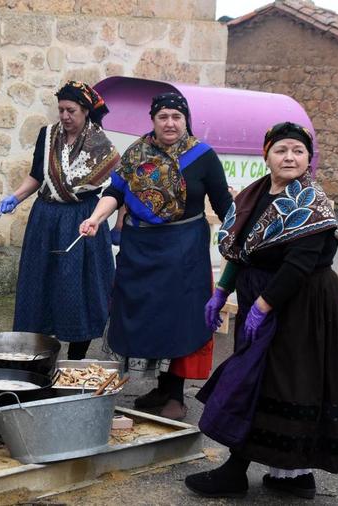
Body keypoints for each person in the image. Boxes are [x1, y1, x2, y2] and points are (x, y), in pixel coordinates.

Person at [185, 122, 338, 499]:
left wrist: (261, 307)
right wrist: (222, 289)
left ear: (309, 158)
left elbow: (298, 265)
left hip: (302, 303)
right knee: (275, 379)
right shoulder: (256, 195)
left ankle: (236, 471)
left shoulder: (310, 201)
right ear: (267, 155)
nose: (289, 157)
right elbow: (242, 249)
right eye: (281, 150)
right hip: (266, 294)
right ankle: (292, 476)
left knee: (270, 378)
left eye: (298, 151)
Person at [79, 93, 232, 420]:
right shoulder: (137, 153)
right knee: (146, 316)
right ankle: (161, 389)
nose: (170, 123)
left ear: (185, 120)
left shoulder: (202, 156)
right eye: (163, 116)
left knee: (178, 317)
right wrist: (95, 218)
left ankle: (175, 394)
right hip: (141, 249)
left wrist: (237, 235)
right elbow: (115, 192)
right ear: (153, 120)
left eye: (176, 116)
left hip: (184, 250)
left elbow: (223, 204)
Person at [0, 80, 119, 360]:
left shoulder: (99, 144)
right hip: (47, 218)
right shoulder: (47, 135)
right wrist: (15, 197)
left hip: (81, 218)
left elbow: (116, 187)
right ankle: (38, 356)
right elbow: (37, 176)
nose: (64, 116)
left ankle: (75, 360)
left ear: (86, 110)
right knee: (39, 283)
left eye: (71, 110)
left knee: (79, 289)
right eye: (61, 110)